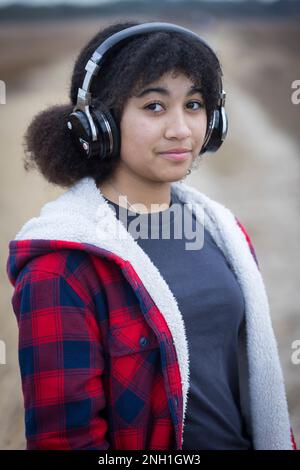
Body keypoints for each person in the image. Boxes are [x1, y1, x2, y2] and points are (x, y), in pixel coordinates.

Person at [6, 20, 297, 451]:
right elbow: (64, 441)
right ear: (98, 124)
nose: (181, 129)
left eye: (194, 105)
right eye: (155, 107)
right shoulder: (61, 267)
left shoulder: (223, 230)